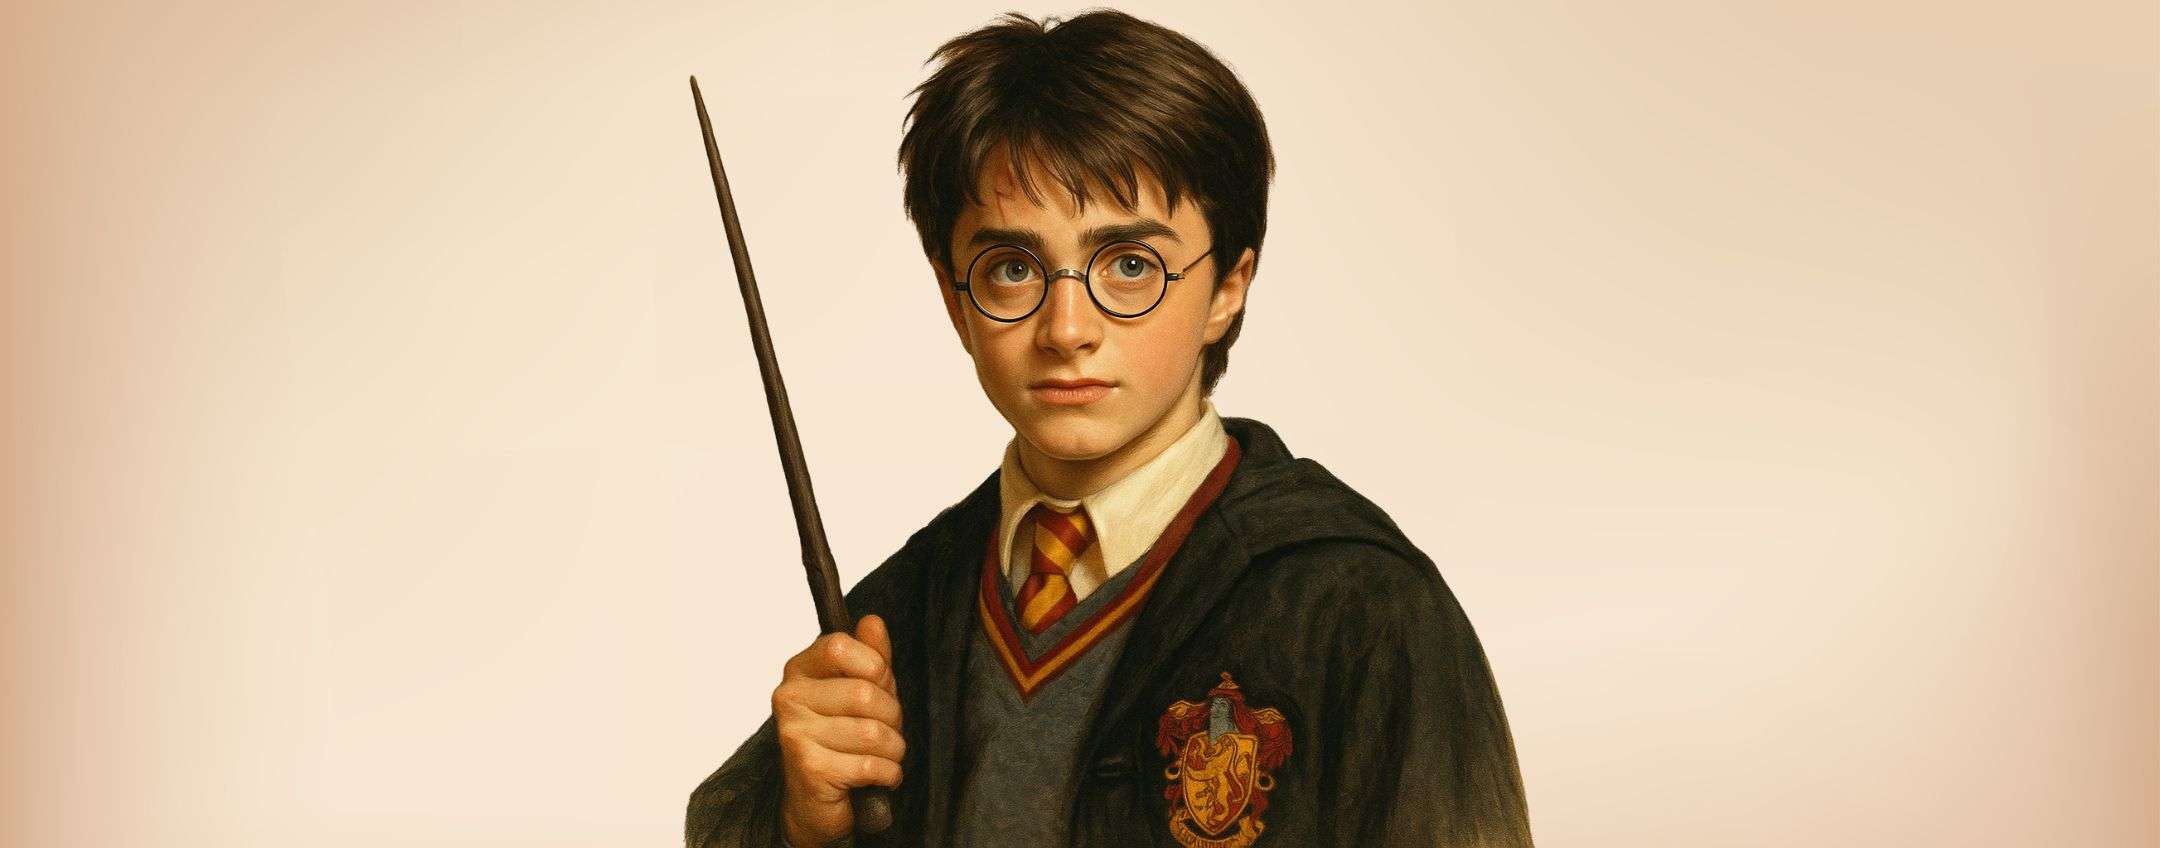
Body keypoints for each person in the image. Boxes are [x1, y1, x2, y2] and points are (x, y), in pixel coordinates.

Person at [685, 10, 1532, 847]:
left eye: (1130, 265)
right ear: (953, 299)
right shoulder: (904, 610)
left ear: (1228, 287)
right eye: (1012, 269)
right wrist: (799, 826)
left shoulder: (1363, 607)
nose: (1066, 329)